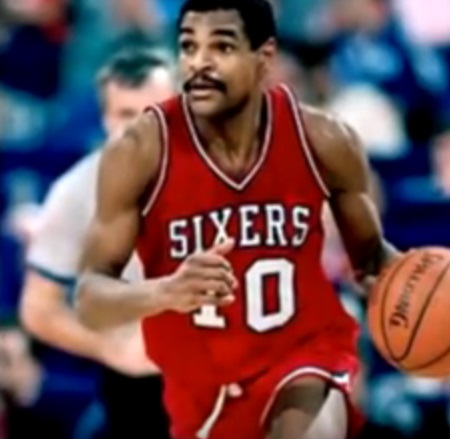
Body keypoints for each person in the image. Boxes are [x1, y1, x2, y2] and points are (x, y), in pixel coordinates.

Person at [75, 0, 402, 438]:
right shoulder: (140, 150)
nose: (200, 62)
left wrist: (419, 283)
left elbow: (373, 260)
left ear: (264, 57)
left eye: (222, 46)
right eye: (189, 46)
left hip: (303, 358)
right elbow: (89, 299)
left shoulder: (324, 140)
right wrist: (165, 291)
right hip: (204, 391)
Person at [19, 47, 176, 439]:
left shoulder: (234, 174)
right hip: (144, 388)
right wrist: (110, 348)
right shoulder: (76, 192)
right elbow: (39, 309)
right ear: (106, 118)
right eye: (126, 114)